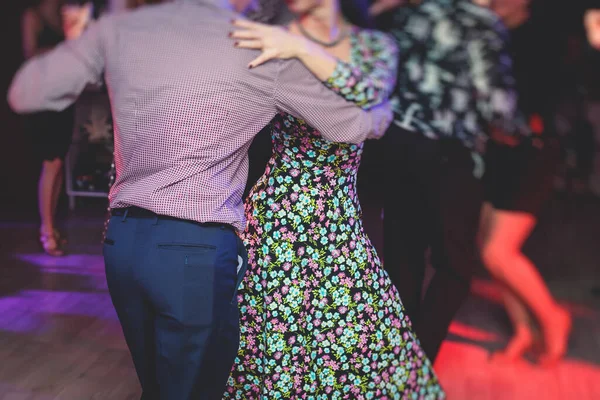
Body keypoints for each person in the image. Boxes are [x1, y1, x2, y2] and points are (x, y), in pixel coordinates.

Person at [7, 0, 393, 398]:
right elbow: (350, 126)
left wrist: (84, 48)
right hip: (194, 251)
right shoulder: (258, 47)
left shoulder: (124, 29)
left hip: (121, 243)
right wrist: (383, 113)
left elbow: (27, 93)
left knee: (156, 387)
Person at [224, 1, 444, 398]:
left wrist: (303, 49)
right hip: (279, 208)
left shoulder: (374, 46)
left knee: (357, 329)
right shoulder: (274, 40)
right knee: (277, 330)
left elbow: (370, 90)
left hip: (339, 212)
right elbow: (358, 119)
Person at [369, 0, 523, 362]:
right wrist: (516, 132)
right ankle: (416, 363)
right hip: (449, 153)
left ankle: (394, 359)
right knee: (454, 266)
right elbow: (497, 103)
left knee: (403, 256)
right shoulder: (481, 23)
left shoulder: (415, 12)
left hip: (399, 143)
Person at [477, 0, 572, 366]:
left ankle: (553, 318)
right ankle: (521, 331)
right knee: (488, 249)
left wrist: (526, 126)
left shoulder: (542, 40)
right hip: (498, 154)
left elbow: (551, 100)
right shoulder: (497, 37)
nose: (496, 4)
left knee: (497, 252)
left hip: (532, 154)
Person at [20, 0, 75, 256]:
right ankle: (47, 230)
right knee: (50, 162)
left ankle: (51, 226)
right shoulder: (34, 16)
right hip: (43, 97)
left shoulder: (66, 15)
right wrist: (61, 49)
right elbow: (30, 53)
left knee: (59, 162)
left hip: (63, 95)